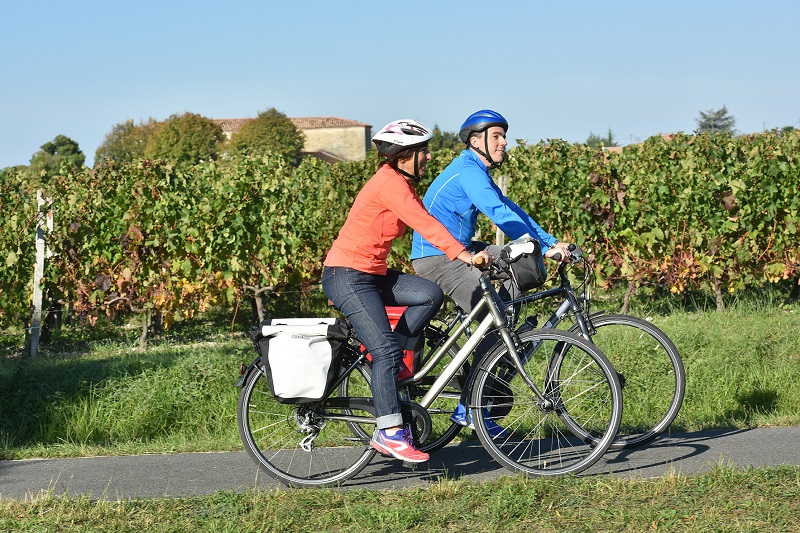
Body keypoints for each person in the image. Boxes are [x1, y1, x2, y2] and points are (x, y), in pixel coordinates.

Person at [322, 119, 491, 463]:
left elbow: (429, 220)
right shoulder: (389, 184)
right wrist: (464, 255)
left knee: (429, 293)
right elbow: (426, 224)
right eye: (423, 151)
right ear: (403, 156)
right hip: (347, 276)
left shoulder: (400, 182)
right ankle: (388, 433)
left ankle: (394, 364)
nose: (428, 157)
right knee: (383, 351)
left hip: (370, 274)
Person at [410, 109, 572, 436]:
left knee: (516, 270)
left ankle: (497, 338)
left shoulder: (477, 171)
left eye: (504, 136)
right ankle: (469, 406)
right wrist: (543, 244)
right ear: (476, 140)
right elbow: (497, 214)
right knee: (497, 318)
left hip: (462, 249)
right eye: (496, 136)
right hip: (438, 258)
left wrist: (549, 242)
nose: (504, 142)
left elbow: (512, 210)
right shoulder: (467, 170)